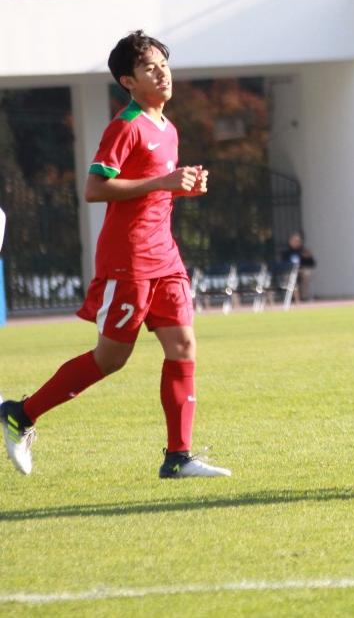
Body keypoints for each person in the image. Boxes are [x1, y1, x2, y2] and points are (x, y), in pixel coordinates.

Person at [0, 31, 231, 479]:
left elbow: (153, 191)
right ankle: (19, 414)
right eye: (149, 68)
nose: (161, 72)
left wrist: (183, 188)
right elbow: (94, 189)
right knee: (110, 359)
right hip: (129, 259)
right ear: (128, 81)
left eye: (164, 63)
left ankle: (178, 457)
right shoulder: (125, 126)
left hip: (165, 256)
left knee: (183, 346)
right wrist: (162, 183)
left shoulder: (169, 128)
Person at [282, 231, 316, 302]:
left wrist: (308, 257)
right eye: (294, 241)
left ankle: (305, 297)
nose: (296, 242)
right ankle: (293, 297)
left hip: (302, 269)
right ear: (290, 241)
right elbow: (283, 264)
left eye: (298, 241)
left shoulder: (304, 251)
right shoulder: (286, 252)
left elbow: (312, 264)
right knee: (289, 277)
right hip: (290, 271)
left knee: (307, 274)